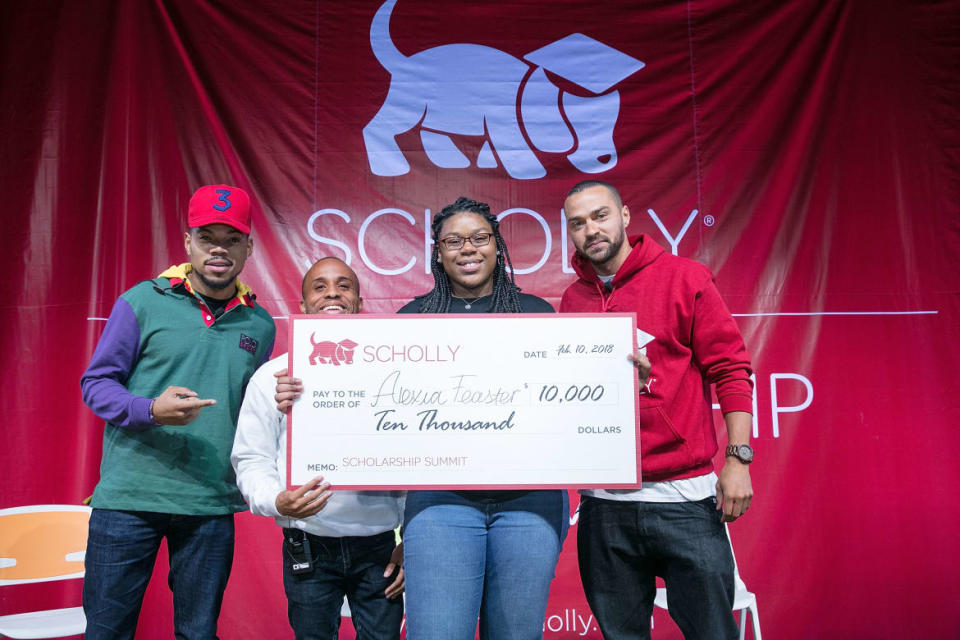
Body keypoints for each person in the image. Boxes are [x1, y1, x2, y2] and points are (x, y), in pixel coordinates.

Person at [79, 184, 276, 639]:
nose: (219, 249)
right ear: (188, 242)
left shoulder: (259, 324)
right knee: (106, 632)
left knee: (198, 633)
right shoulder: (142, 302)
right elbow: (96, 384)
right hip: (128, 500)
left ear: (248, 247)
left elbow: (254, 411)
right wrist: (150, 409)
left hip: (209, 502)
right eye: (208, 237)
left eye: (232, 239)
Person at [560, 180, 755, 639]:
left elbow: (731, 369)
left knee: (712, 632)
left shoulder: (685, 277)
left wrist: (738, 458)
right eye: (578, 223)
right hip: (603, 507)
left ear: (625, 215)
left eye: (600, 215)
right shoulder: (573, 301)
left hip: (683, 499)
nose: (591, 230)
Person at [231, 257, 405, 640]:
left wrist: (411, 539)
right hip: (307, 545)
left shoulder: (392, 375)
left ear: (359, 303)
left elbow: (412, 458)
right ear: (304, 305)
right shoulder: (274, 377)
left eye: (344, 286)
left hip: (378, 547)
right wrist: (277, 500)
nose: (332, 294)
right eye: (320, 286)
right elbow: (251, 457)